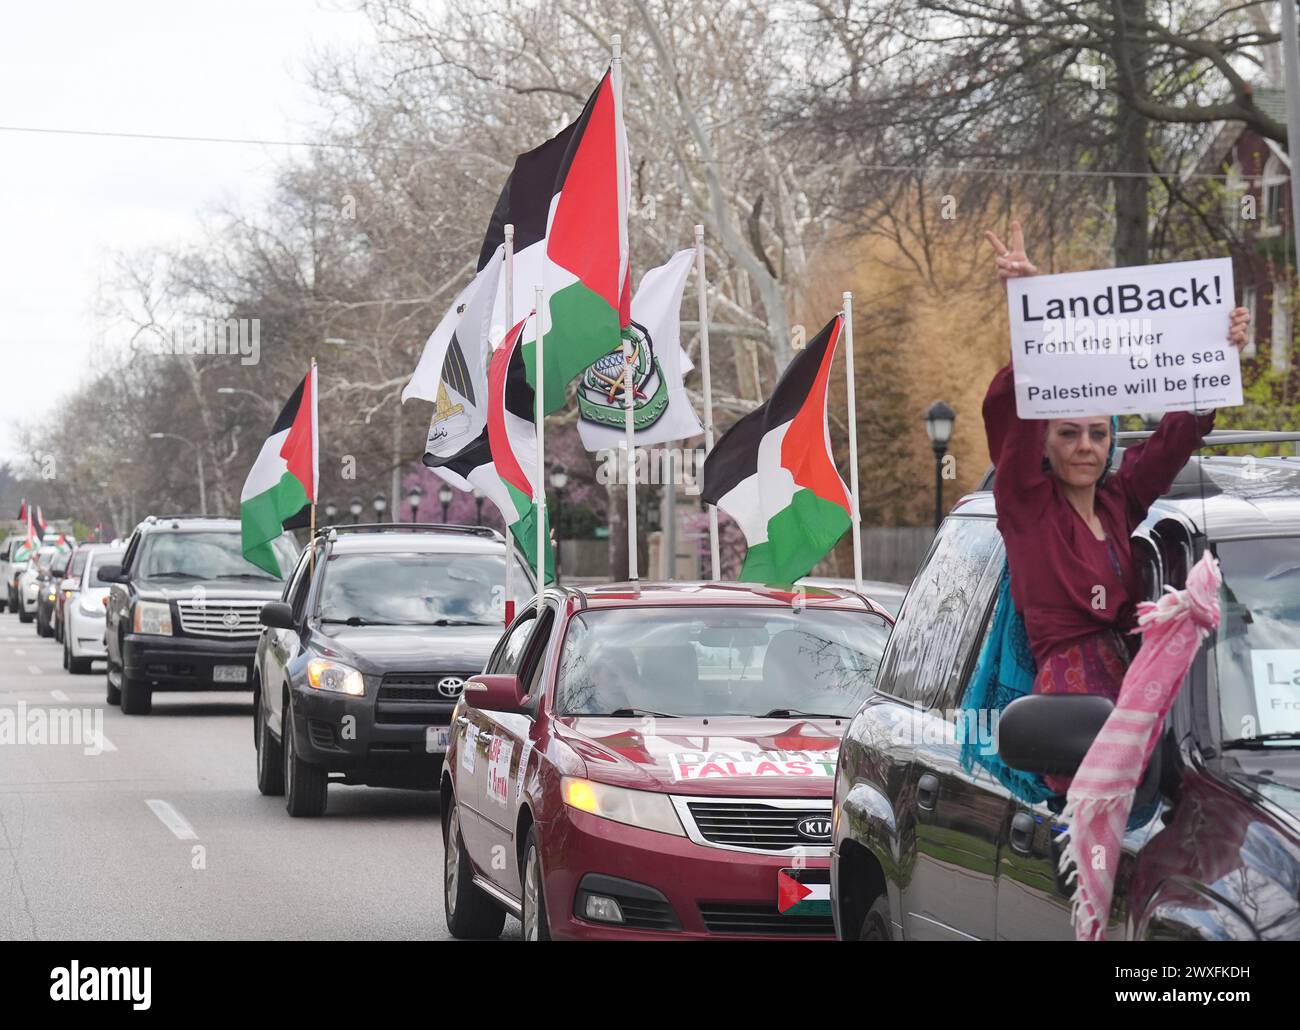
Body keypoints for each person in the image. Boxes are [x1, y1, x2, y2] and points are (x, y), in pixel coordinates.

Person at [983, 222, 1250, 790]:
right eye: (1068, 433)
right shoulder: (1027, 507)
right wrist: (1031, 312)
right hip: (1068, 721)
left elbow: (1175, 439)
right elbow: (1019, 416)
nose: (1085, 446)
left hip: (1136, 704)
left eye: (1098, 434)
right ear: (1046, 445)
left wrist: (1221, 350)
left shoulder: (1118, 500)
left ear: (1111, 442)